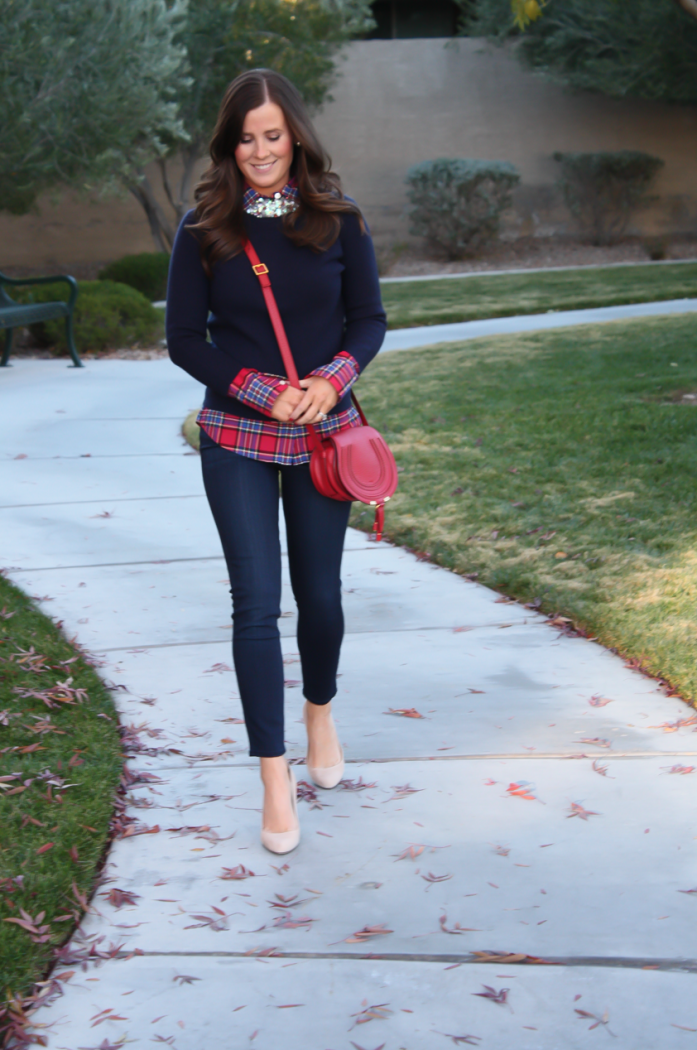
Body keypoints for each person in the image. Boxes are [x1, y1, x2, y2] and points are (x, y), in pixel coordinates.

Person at [166, 69, 386, 855]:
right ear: (229, 143)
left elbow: (368, 321)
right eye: (245, 137)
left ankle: (319, 710)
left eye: (272, 134)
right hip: (238, 435)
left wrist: (329, 382)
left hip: (323, 435)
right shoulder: (203, 228)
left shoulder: (338, 220)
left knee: (319, 599)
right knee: (255, 606)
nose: (259, 150)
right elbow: (184, 341)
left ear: (293, 135)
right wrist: (260, 390)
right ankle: (272, 776)